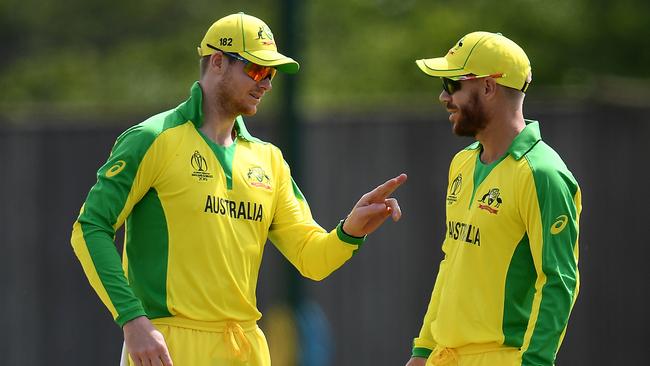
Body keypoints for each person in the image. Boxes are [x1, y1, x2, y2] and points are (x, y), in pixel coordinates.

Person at [70, 12, 407, 366]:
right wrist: (132, 320)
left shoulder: (269, 160)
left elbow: (312, 259)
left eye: (272, 73)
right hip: (168, 347)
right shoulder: (152, 139)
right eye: (258, 70)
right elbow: (90, 228)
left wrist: (351, 231)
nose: (267, 84)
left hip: (245, 349)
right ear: (217, 61)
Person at [405, 32, 581, 366]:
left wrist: (536, 363)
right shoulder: (462, 162)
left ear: (488, 87)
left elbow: (558, 282)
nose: (443, 96)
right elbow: (451, 262)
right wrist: (424, 349)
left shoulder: (543, 174)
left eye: (452, 83)